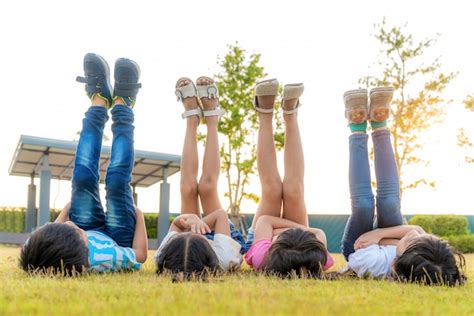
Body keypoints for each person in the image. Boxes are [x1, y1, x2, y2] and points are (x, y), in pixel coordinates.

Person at [20, 53, 148, 274]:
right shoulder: (105, 258)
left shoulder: (41, 250)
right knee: (117, 181)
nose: (70, 223)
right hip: (119, 237)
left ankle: (99, 101)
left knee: (82, 178)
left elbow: (49, 236)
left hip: (85, 229)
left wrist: (65, 216)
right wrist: (140, 216)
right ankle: (123, 105)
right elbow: (140, 255)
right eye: (70, 228)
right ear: (82, 247)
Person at [340, 87, 466, 286]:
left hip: (358, 246)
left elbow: (361, 243)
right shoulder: (427, 253)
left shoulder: (371, 264)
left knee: (364, 204)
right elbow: (415, 230)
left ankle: (356, 126)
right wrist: (382, 235)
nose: (414, 236)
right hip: (381, 241)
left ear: (397, 263)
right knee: (390, 202)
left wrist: (381, 237)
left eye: (412, 241)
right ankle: (380, 123)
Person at [154, 76, 246, 281]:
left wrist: (188, 221)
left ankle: (192, 120)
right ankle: (212, 119)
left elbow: (177, 225)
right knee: (207, 187)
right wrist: (198, 223)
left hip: (188, 239)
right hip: (222, 236)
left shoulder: (165, 256)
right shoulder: (222, 258)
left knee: (187, 188)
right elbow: (221, 215)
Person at [244, 79, 334, 278]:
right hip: (301, 237)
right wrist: (302, 232)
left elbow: (265, 222)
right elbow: (318, 235)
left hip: (263, 232)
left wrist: (294, 231)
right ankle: (290, 115)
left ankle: (264, 113)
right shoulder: (319, 259)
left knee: (272, 190)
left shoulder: (262, 257)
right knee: (294, 190)